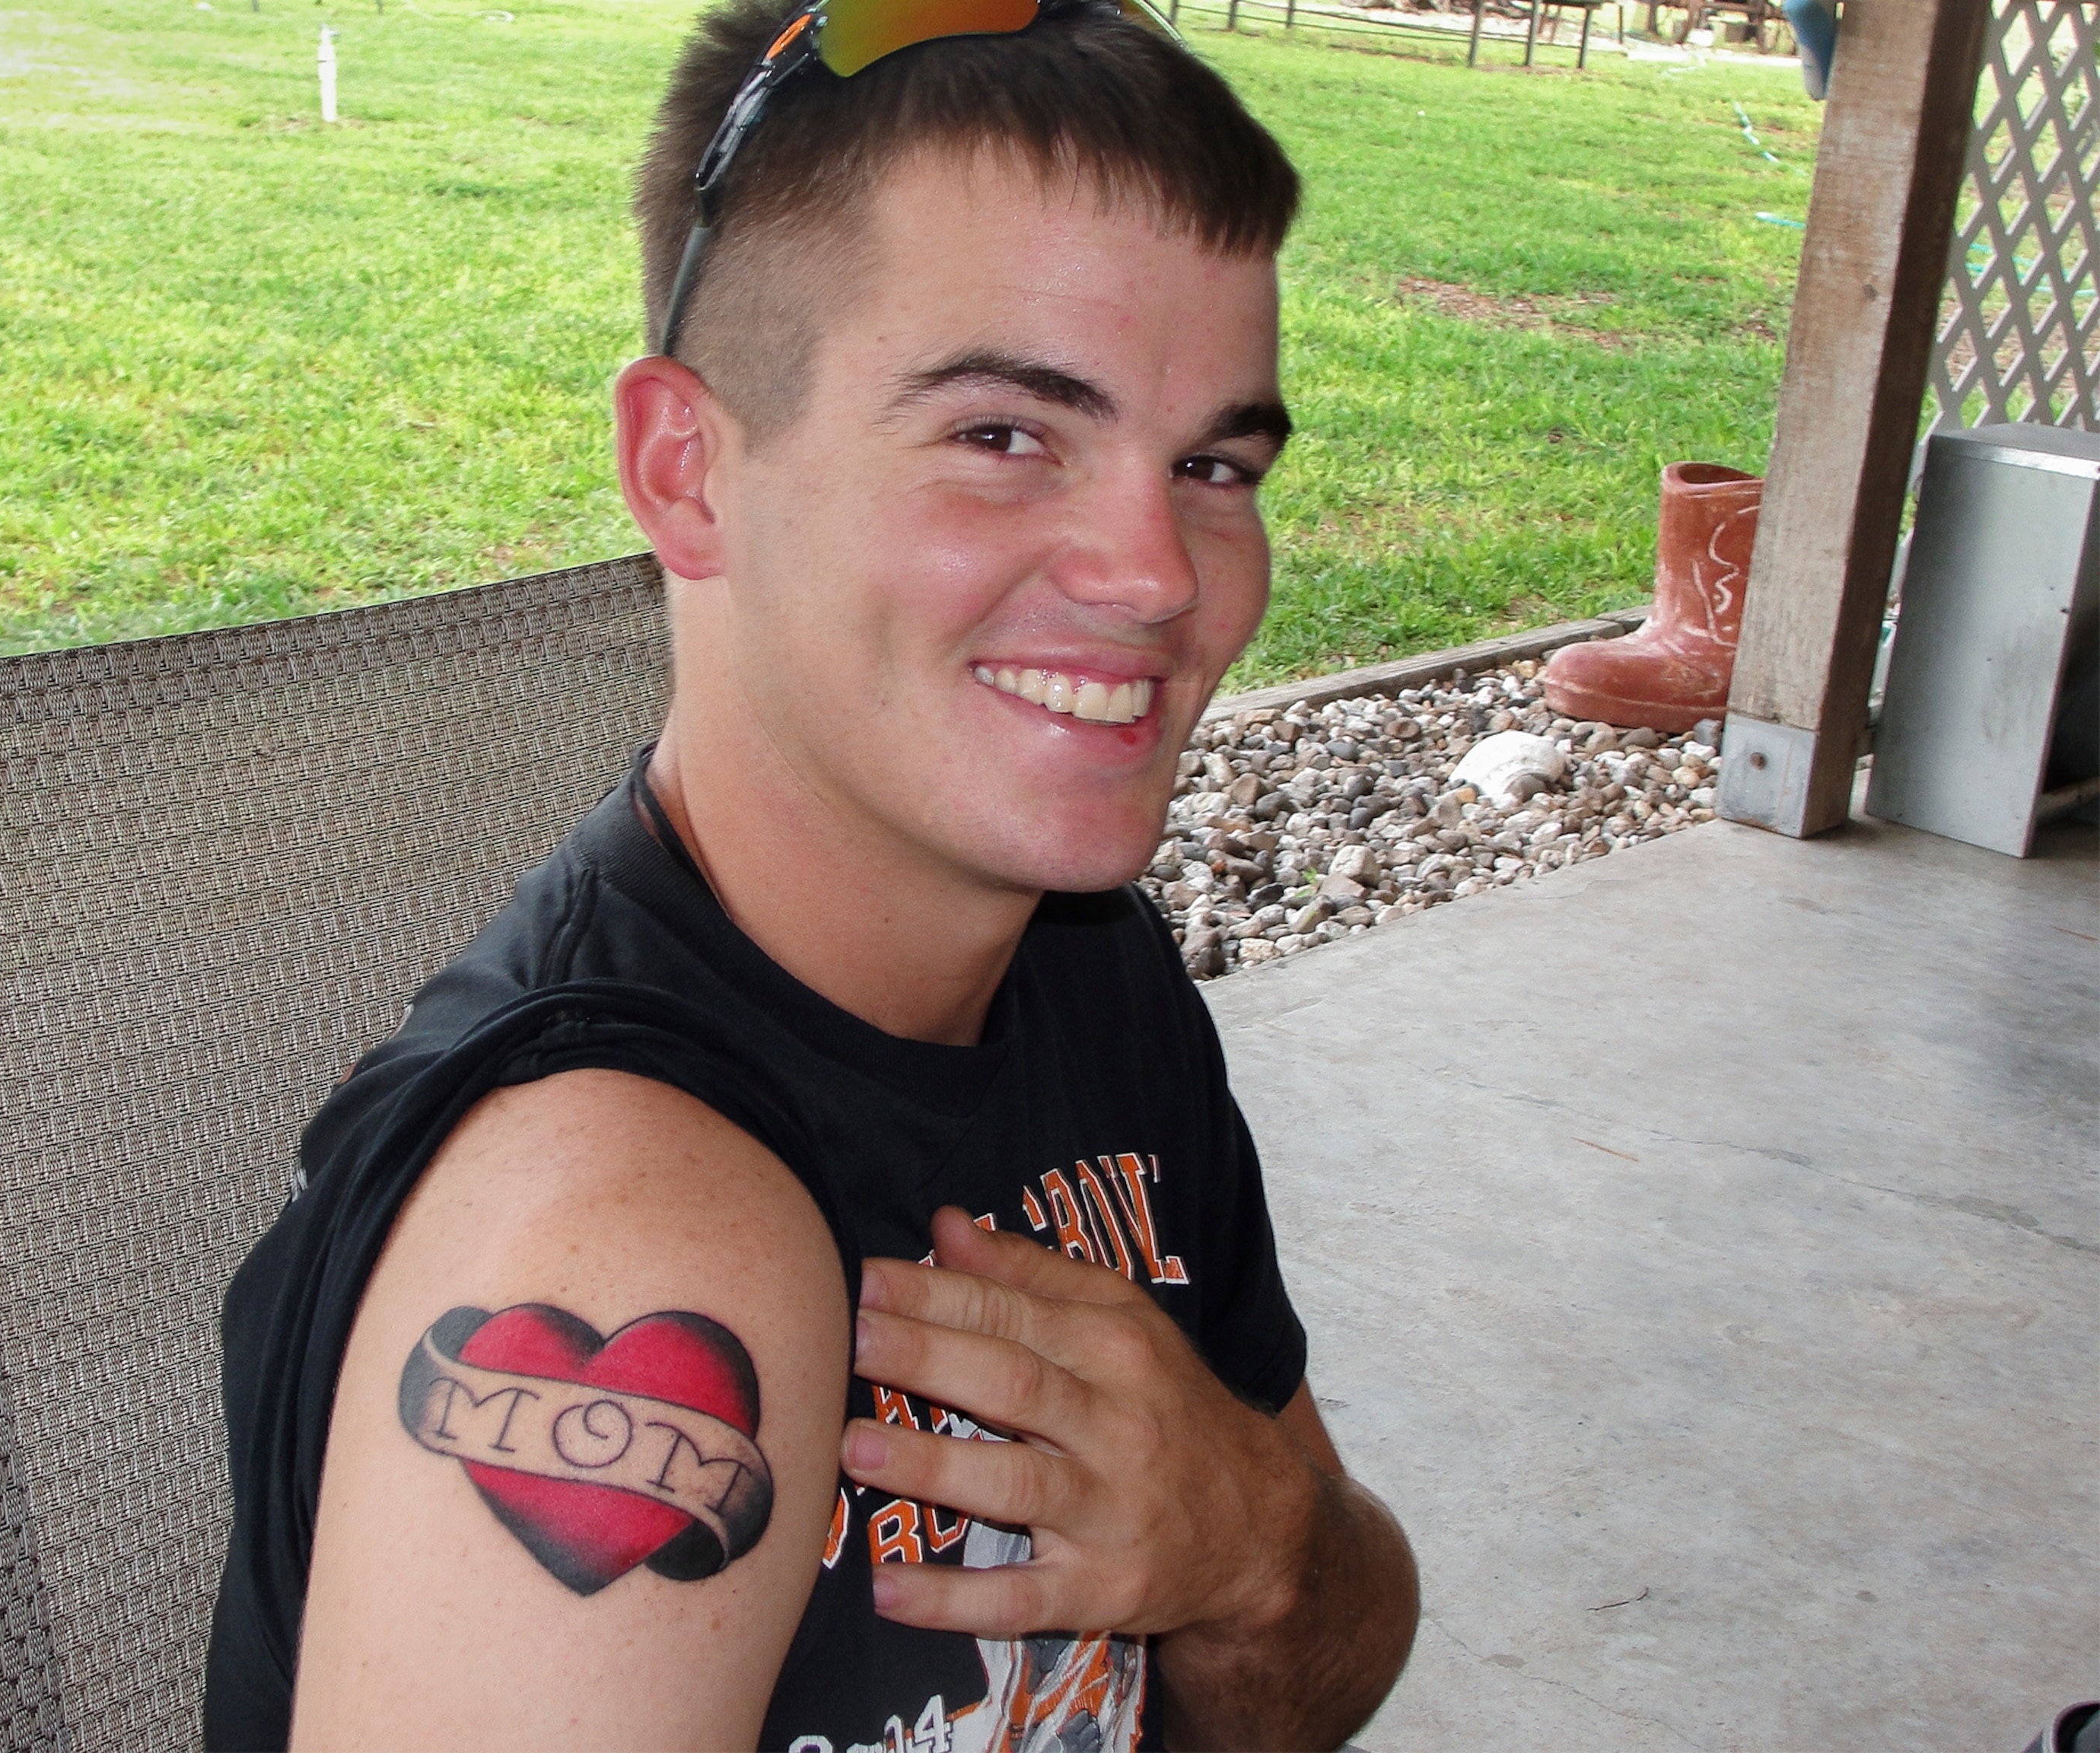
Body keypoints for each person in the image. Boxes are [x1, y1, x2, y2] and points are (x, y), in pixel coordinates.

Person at [204, 2, 1420, 1746]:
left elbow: (1321, 1660)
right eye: (1007, 433)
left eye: (1213, 464)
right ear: (686, 474)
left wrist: (1262, 1554)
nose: (1160, 574)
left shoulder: (1091, 970)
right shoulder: (619, 1243)